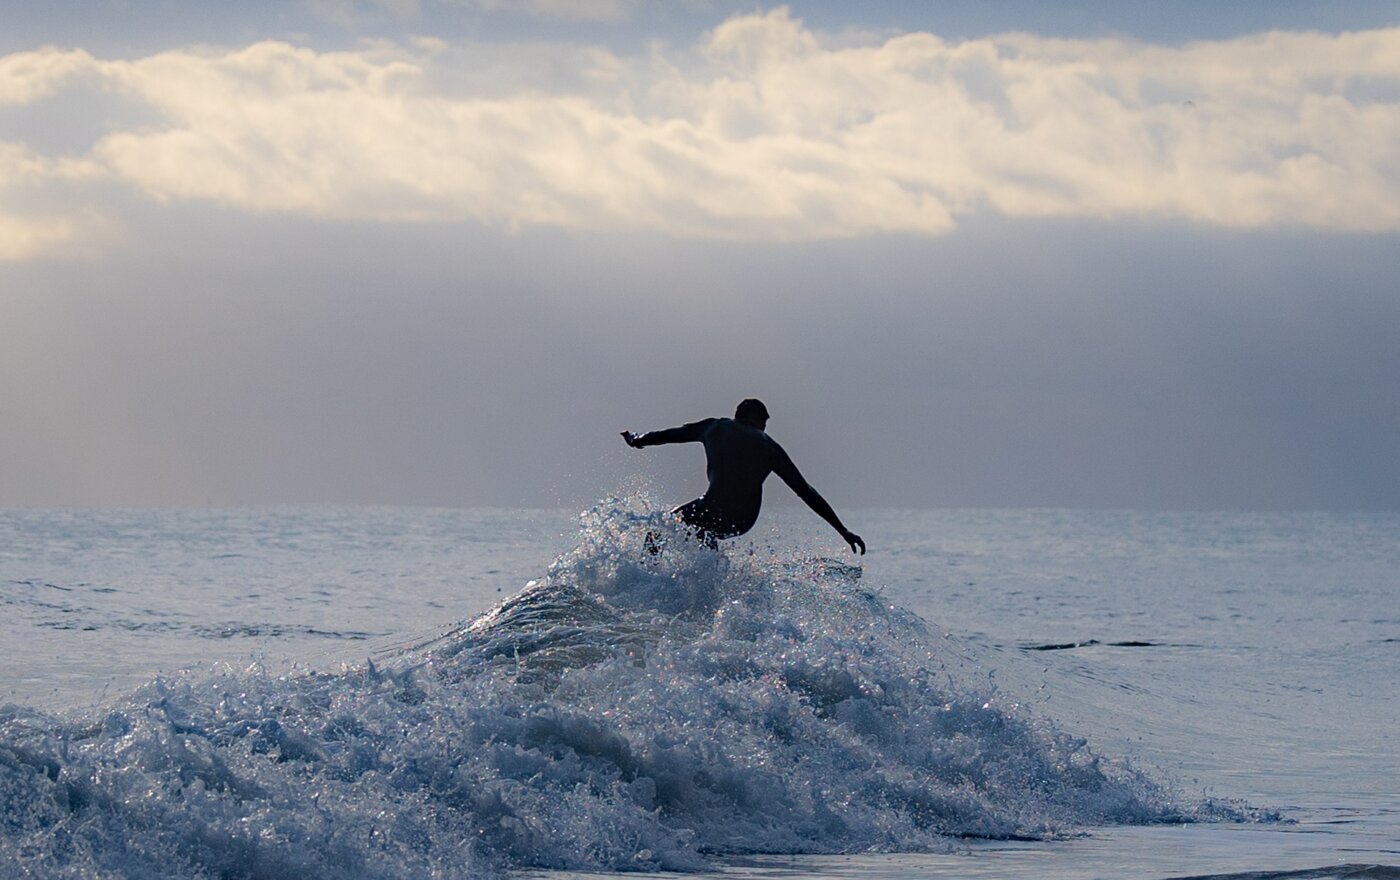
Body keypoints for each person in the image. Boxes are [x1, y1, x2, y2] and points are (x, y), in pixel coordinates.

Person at [622, 398, 865, 554]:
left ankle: (649, 575)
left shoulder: (714, 427)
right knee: (704, 535)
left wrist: (637, 439)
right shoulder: (770, 448)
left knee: (662, 530)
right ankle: (711, 581)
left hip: (711, 508)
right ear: (759, 421)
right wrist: (842, 530)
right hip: (743, 520)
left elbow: (671, 434)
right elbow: (805, 491)